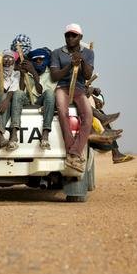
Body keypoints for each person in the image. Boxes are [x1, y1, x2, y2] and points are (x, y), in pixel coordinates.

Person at [49, 23, 94, 172]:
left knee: (88, 115)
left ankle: (74, 152)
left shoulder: (88, 53)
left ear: (80, 37)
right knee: (62, 112)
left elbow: (87, 75)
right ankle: (72, 151)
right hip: (62, 87)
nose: (70, 38)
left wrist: (81, 60)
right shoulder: (56, 53)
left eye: (74, 35)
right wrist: (69, 66)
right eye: (68, 35)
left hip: (79, 89)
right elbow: (54, 76)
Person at [10, 46, 56, 150]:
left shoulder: (50, 73)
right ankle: (13, 135)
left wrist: (34, 73)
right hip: (28, 102)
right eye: (35, 60)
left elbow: (41, 91)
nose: (38, 61)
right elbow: (22, 90)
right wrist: (22, 75)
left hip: (41, 102)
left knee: (49, 93)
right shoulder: (27, 72)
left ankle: (45, 134)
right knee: (17, 93)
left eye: (41, 59)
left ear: (46, 60)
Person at [0, 50, 21, 149]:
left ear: (13, 61)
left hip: (9, 101)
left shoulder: (16, 73)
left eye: (10, 58)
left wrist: (6, 99)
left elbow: (14, 88)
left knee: (5, 96)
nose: (8, 60)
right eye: (5, 58)